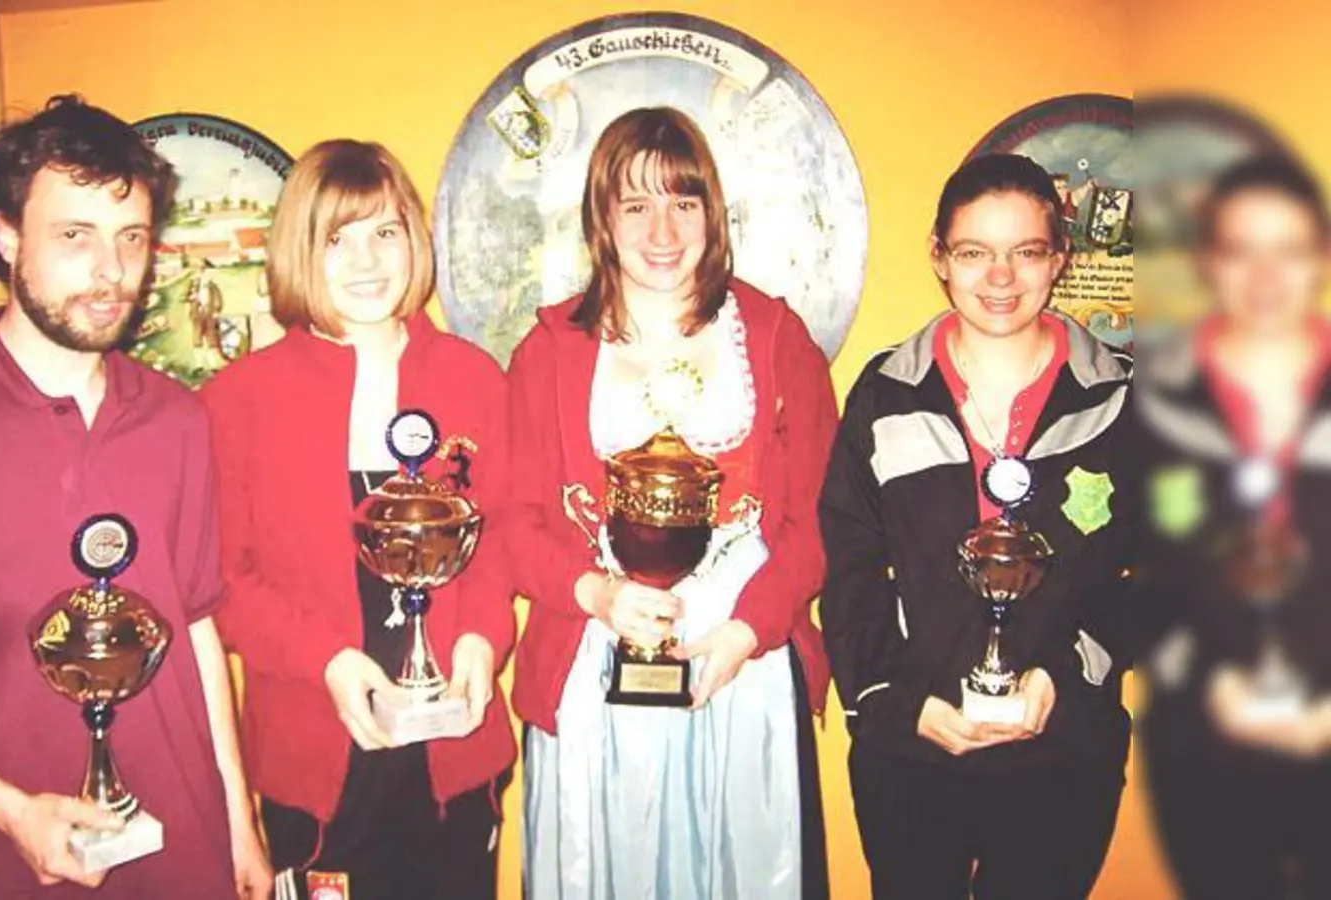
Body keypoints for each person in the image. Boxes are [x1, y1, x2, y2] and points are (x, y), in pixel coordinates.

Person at [0, 94, 271, 898]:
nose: (111, 272)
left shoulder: (179, 417)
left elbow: (198, 630)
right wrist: (10, 812)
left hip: (182, 853)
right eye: (75, 237)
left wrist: (237, 821)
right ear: (8, 237)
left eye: (131, 239)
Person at [506, 106, 837, 899]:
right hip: (595, 655)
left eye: (683, 203)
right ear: (602, 219)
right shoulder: (548, 351)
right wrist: (600, 592)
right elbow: (514, 524)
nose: (662, 230)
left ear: (711, 213)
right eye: (636, 205)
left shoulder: (776, 337)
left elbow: (818, 522)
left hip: (741, 658)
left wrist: (746, 633)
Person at [199, 139, 515, 900]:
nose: (366, 260)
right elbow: (225, 582)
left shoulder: (473, 378)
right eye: (335, 239)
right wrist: (327, 662)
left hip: (452, 748)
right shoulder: (239, 399)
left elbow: (498, 538)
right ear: (300, 251)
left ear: (414, 236)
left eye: (385, 231)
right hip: (315, 755)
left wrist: (481, 636)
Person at [820, 153, 1135, 900]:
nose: (1000, 278)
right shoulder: (885, 392)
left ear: (1059, 257)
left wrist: (1067, 676)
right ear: (939, 256)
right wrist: (899, 704)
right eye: (974, 253)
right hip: (913, 747)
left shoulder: (1125, 399)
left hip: (1064, 752)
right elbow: (846, 566)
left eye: (1025, 252)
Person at [1136, 154, 1331, 899]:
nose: (1265, 276)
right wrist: (1208, 683)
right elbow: (1134, 573)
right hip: (1204, 748)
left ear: (1321, 257)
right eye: (1241, 250)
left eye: (1288, 250)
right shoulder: (1155, 402)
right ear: (1209, 262)